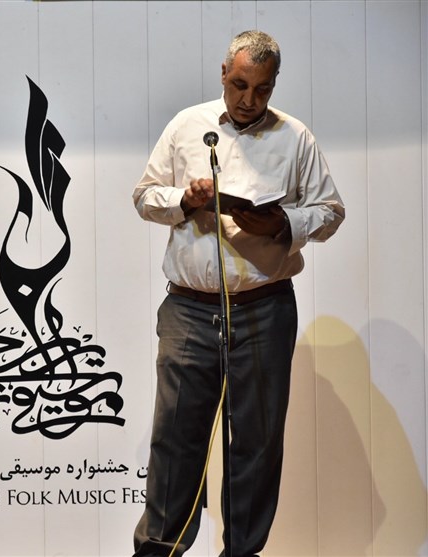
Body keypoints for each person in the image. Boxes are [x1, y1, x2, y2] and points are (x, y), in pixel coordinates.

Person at [131, 31, 344, 557]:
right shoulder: (187, 125)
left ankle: (242, 553)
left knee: (256, 444)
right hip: (188, 309)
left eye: (262, 89)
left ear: (274, 84)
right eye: (240, 85)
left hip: (264, 309)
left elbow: (330, 211)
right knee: (176, 440)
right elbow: (145, 197)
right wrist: (185, 199)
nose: (249, 99)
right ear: (224, 72)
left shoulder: (295, 137)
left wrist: (283, 223)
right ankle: (159, 550)